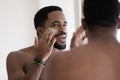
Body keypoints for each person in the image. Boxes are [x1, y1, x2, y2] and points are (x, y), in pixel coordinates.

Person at [46, 0, 120, 80]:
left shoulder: (59, 62)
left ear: (83, 24)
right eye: (56, 25)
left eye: (64, 24)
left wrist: (73, 56)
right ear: (119, 23)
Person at [6, 6, 84, 80]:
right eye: (55, 25)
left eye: (64, 25)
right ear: (41, 31)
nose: (63, 30)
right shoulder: (16, 57)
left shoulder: (66, 58)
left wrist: (77, 57)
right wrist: (40, 58)